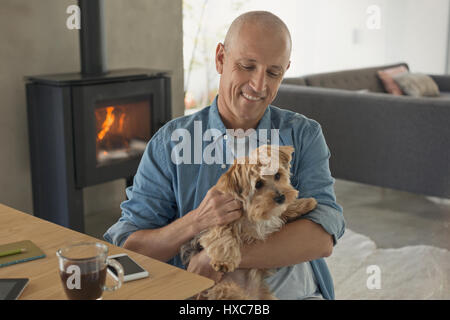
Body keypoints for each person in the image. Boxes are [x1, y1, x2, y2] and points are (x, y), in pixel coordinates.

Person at [104, 10, 346, 300]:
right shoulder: (171, 143)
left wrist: (219, 256)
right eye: (247, 66)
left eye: (273, 72)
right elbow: (130, 249)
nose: (259, 85)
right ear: (220, 58)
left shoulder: (303, 135)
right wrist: (195, 221)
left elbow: (322, 237)